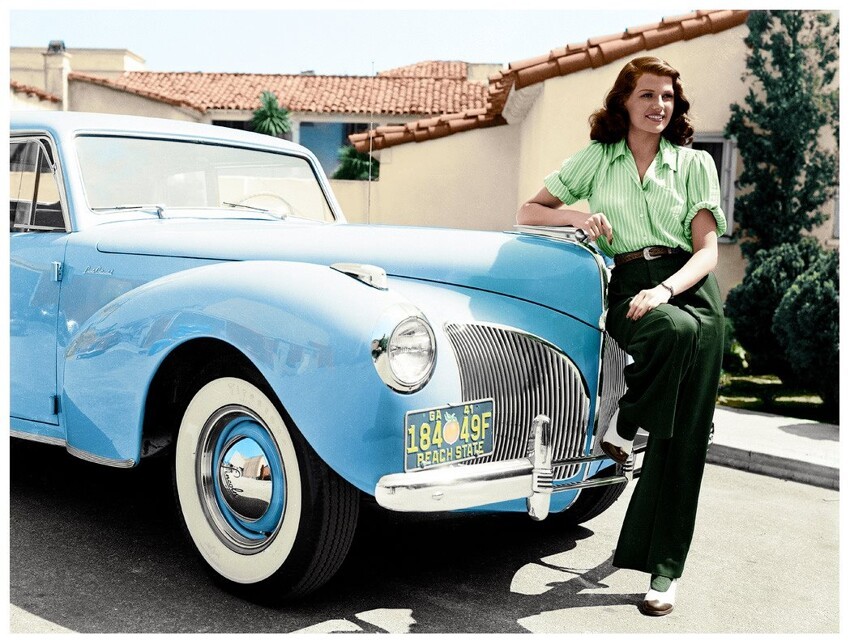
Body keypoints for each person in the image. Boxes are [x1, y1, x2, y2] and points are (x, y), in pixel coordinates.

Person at [517, 56, 726, 617]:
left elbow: (707, 250)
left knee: (682, 438)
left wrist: (666, 290)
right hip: (628, 282)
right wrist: (579, 218)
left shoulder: (694, 163)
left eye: (668, 97)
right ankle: (627, 422)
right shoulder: (598, 159)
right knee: (672, 335)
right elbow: (530, 209)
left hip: (689, 287)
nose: (660, 106)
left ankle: (664, 568)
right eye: (647, 96)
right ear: (624, 102)